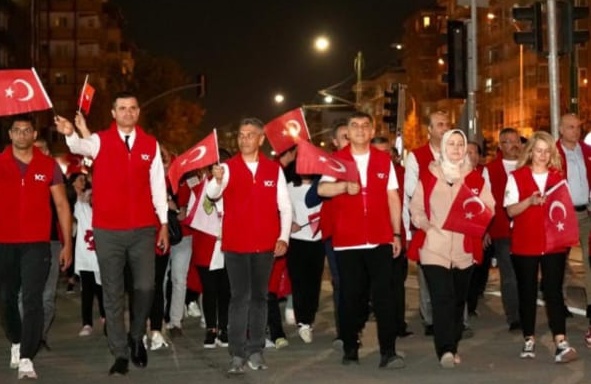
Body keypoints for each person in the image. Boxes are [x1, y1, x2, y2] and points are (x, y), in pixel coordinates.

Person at [54, 91, 169, 376]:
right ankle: (119, 351)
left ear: (138, 112)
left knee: (145, 287)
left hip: (143, 229)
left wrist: (163, 222)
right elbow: (82, 145)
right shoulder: (100, 141)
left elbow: (158, 186)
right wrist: (70, 134)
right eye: (122, 108)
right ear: (114, 114)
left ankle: (136, 336)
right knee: (113, 293)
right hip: (107, 231)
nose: (128, 112)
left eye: (132, 108)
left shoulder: (150, 144)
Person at [318, 112, 404, 369]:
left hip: (380, 239)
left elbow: (393, 198)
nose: (360, 130)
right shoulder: (337, 160)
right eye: (354, 126)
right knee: (351, 296)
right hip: (348, 241)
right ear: (348, 132)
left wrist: (396, 233)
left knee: (384, 296)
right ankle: (350, 347)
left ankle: (388, 351)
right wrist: (343, 187)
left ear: (371, 130)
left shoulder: (382, 160)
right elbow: (322, 189)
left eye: (365, 126)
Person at [206, 118, 292, 374]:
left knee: (260, 298)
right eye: (241, 135)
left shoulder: (273, 169)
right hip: (235, 246)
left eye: (250, 135)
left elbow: (285, 207)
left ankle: (256, 350)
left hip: (265, 246)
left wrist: (284, 237)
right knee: (239, 298)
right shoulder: (227, 167)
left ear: (261, 139)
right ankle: (236, 353)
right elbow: (212, 194)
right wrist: (217, 179)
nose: (244, 139)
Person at [410, 129, 494, 368]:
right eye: (452, 144)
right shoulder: (428, 175)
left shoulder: (475, 178)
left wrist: (477, 222)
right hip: (433, 247)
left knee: (458, 301)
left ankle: (453, 343)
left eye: (460, 144)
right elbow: (416, 207)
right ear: (443, 148)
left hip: (464, 249)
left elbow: (489, 206)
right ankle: (445, 350)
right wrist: (426, 226)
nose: (456, 149)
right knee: (442, 298)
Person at [0, 114, 73, 379]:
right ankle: (17, 341)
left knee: (32, 299)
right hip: (4, 243)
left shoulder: (49, 165)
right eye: (16, 130)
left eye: (26, 130)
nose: (21, 134)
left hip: (37, 244)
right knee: (6, 298)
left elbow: (62, 206)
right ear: (10, 134)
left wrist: (67, 244)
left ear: (34, 134)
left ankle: (28, 356)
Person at [504, 131, 578, 364]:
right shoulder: (517, 177)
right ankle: (529, 338)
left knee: (553, 291)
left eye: (547, 151)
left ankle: (560, 340)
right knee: (527, 292)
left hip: (553, 244)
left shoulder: (558, 177)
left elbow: (565, 208)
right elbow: (510, 210)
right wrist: (530, 201)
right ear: (530, 152)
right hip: (525, 243)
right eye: (539, 150)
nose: (543, 155)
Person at [404, 110, 451, 336]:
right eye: (440, 125)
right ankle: (430, 318)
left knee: (453, 271)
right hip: (428, 223)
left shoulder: (455, 153)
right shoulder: (417, 156)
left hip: (452, 224)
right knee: (428, 272)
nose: (444, 128)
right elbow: (411, 190)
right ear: (430, 130)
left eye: (446, 124)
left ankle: (455, 318)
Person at [304, 118, 349, 347]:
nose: (349, 140)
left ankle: (355, 326)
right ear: (334, 141)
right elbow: (310, 198)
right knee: (341, 282)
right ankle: (345, 333)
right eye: (344, 137)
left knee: (359, 284)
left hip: (362, 234)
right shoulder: (330, 167)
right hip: (334, 234)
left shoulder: (365, 163)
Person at [371, 137, 412, 338]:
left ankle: (398, 324)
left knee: (397, 283)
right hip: (373, 238)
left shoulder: (402, 174)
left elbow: (406, 205)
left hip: (397, 236)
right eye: (378, 151)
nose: (384, 155)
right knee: (379, 285)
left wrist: (405, 236)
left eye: (387, 151)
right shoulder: (365, 172)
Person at [556, 113, 591, 346]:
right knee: (558, 262)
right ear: (560, 129)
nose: (575, 131)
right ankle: (557, 304)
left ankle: (590, 307)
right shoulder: (553, 153)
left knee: (590, 261)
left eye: (578, 127)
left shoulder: (586, 151)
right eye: (570, 127)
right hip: (561, 216)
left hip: (585, 213)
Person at [483, 128, 521, 331]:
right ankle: (514, 316)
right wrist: (486, 229)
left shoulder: (529, 165)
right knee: (509, 275)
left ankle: (526, 311)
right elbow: (486, 202)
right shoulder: (490, 169)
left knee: (527, 273)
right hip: (503, 230)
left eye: (516, 141)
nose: (513, 145)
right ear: (500, 146)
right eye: (508, 141)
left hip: (526, 229)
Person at [71, 172, 105, 337]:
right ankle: (87, 322)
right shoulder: (81, 209)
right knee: (87, 291)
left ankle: (105, 316)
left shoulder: (103, 211)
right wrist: (81, 188)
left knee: (102, 289)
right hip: (86, 257)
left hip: (101, 257)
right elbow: (77, 199)